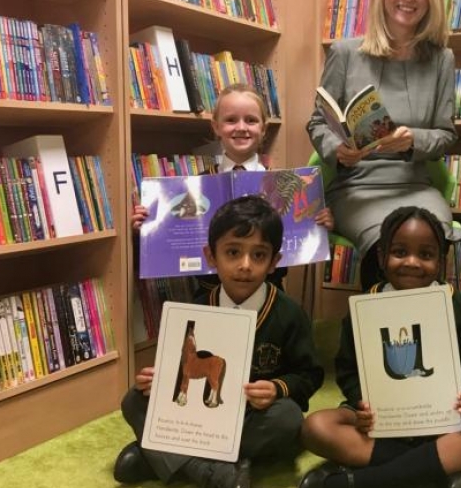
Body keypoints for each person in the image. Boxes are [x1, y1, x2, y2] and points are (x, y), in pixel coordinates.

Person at [115, 195, 326, 488]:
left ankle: (161, 456)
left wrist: (278, 388)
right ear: (211, 256)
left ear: (274, 262)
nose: (244, 265)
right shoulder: (194, 309)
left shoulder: (290, 314)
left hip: (252, 416)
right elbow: (181, 369)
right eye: (233, 252)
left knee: (288, 418)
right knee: (133, 400)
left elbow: (310, 375)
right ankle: (212, 471)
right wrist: (159, 380)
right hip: (198, 417)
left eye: (259, 255)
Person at [297, 206, 461, 488]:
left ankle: (358, 481)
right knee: (315, 427)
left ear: (441, 261)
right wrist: (361, 402)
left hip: (441, 418)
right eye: (400, 252)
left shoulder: (455, 305)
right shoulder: (365, 305)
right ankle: (437, 469)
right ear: (382, 257)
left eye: (425, 254)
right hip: (379, 420)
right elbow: (348, 370)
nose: (412, 262)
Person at [306, 0, 458, 291]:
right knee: (388, 244)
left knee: (432, 240)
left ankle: (430, 337)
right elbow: (317, 121)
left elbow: (446, 135)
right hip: (357, 186)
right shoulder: (345, 53)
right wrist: (338, 151)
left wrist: (412, 140)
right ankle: (373, 336)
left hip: (414, 183)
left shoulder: (442, 59)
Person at [132, 83, 334, 292]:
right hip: (210, 297)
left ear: (263, 128)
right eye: (230, 120)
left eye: (251, 120)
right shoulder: (193, 189)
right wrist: (146, 231)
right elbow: (164, 252)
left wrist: (319, 223)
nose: (241, 127)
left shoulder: (283, 186)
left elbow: (301, 245)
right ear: (216, 127)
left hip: (267, 293)